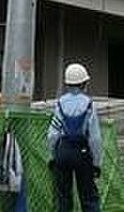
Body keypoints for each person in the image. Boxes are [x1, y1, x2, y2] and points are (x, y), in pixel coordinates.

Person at [47, 62, 102, 212]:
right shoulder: (89, 104)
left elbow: (52, 134)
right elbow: (95, 138)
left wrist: (52, 156)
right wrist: (96, 163)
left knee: (63, 197)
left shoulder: (60, 103)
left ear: (67, 84)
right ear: (84, 83)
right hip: (82, 152)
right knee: (88, 196)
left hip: (63, 151)